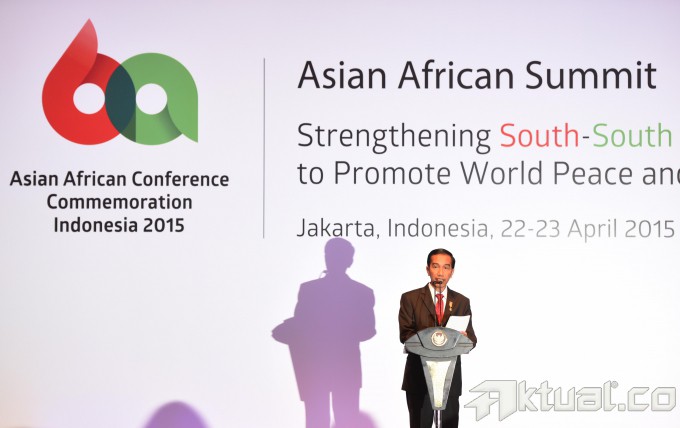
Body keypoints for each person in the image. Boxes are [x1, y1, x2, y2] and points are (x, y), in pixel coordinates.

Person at [398, 248, 477, 428]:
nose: (440, 272)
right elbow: (405, 334)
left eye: (446, 267)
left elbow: (472, 338)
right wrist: (431, 338)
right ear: (428, 269)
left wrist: (464, 338)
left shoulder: (461, 301)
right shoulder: (410, 298)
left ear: (452, 272)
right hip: (419, 376)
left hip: (449, 378)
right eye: (435, 266)